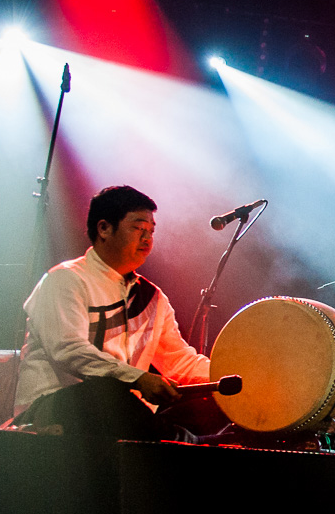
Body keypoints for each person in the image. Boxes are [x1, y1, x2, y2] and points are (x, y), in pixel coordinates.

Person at [13, 185, 211, 438]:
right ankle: (187, 444)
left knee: (196, 409)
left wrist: (237, 376)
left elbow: (180, 361)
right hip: (52, 408)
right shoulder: (66, 280)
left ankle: (195, 444)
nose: (147, 239)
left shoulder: (152, 298)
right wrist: (137, 378)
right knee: (106, 393)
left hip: (124, 419)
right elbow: (69, 349)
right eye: (138, 228)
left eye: (151, 231)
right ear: (104, 228)